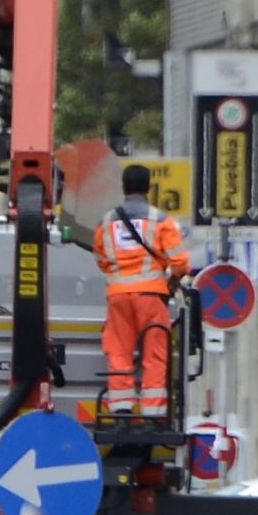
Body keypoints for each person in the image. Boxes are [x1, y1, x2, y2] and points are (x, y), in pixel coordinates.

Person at [94, 165, 192, 420]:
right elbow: (180, 263)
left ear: (123, 188)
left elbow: (101, 260)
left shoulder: (106, 222)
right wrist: (172, 279)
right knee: (155, 354)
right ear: (148, 188)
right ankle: (152, 412)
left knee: (119, 351)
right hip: (151, 296)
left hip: (118, 297)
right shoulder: (161, 221)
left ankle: (121, 408)